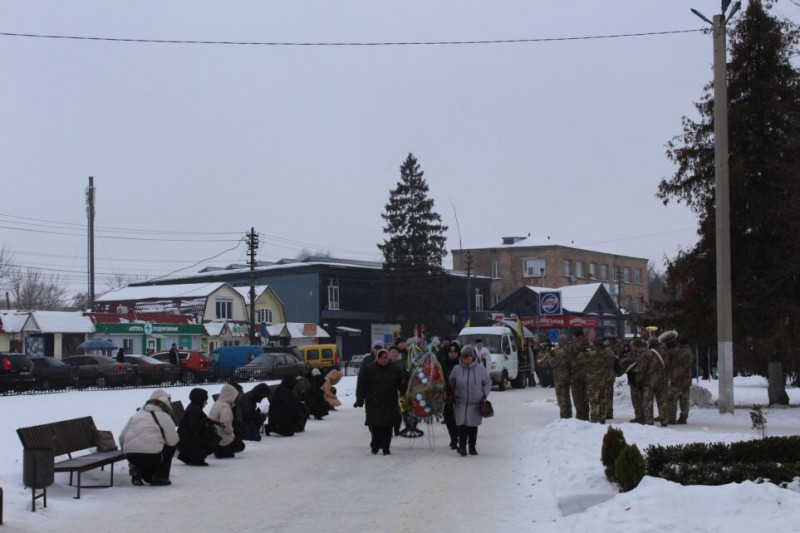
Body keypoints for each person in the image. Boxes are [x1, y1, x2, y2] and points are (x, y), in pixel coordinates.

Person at [119, 389, 179, 486]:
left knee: (141, 446)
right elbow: (173, 441)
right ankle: (160, 476)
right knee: (168, 446)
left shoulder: (137, 415)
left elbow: (122, 437)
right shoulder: (163, 415)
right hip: (152, 456)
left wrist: (125, 452)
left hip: (131, 456)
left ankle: (137, 472)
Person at [354, 348, 405, 455]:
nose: (383, 360)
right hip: (373, 402)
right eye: (381, 358)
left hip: (389, 402)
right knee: (375, 426)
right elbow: (362, 385)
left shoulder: (395, 369)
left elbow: (402, 385)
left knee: (388, 427)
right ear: (377, 358)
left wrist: (406, 395)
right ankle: (376, 445)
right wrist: (359, 399)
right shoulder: (370, 369)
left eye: (385, 358)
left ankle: (386, 448)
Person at [448, 345, 492, 456]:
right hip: (460, 403)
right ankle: (462, 446)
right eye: (464, 358)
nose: (466, 360)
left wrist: (484, 394)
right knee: (462, 426)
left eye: (468, 358)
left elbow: (487, 382)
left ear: (473, 357)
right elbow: (450, 384)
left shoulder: (480, 369)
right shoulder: (456, 369)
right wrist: (451, 395)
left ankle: (472, 446)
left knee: (473, 426)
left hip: (475, 403)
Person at [176, 388, 220, 466]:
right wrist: (208, 426)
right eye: (205, 400)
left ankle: (190, 456)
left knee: (212, 437)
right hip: (186, 441)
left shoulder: (194, 407)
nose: (206, 403)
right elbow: (196, 428)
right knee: (213, 438)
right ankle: (194, 457)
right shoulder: (195, 410)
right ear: (200, 400)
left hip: (184, 440)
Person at [583, 338, 617, 424]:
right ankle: (602, 418)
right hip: (604, 380)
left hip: (593, 381)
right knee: (603, 400)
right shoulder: (608, 353)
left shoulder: (591, 354)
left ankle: (594, 418)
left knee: (594, 401)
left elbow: (581, 359)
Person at [637, 337, 669, 426]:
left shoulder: (647, 354)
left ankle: (649, 420)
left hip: (649, 381)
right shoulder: (665, 353)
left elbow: (642, 368)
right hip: (662, 380)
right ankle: (664, 420)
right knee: (662, 401)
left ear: (650, 344)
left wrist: (639, 379)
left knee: (648, 402)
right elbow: (668, 366)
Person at [209, 383, 246, 458]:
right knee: (240, 446)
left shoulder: (217, 403)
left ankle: (220, 449)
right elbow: (225, 421)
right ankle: (222, 450)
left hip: (214, 435)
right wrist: (230, 431)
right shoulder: (225, 406)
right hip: (222, 437)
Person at [437, 340, 461, 449]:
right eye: (450, 352)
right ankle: (453, 439)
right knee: (448, 419)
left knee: (458, 419)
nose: (452, 354)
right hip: (446, 396)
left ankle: (459, 437)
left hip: (459, 396)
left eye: (454, 352)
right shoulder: (442, 363)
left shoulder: (461, 364)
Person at [542, 336, 573, 419]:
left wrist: (551, 356)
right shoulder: (569, 351)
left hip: (559, 378)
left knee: (561, 398)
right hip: (568, 376)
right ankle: (569, 413)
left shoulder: (559, 352)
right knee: (567, 396)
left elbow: (552, 364)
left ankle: (564, 416)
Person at [620, 338, 645, 423]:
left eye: (632, 346)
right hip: (644, 379)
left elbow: (623, 362)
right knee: (643, 398)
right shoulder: (647, 352)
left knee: (636, 398)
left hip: (634, 378)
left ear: (636, 346)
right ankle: (646, 415)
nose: (631, 347)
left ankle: (639, 416)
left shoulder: (633, 354)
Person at [567, 330, 589, 421]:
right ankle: (586, 416)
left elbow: (567, 359)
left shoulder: (573, 346)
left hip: (576, 376)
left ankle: (580, 418)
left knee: (577, 398)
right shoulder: (589, 344)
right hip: (587, 376)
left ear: (576, 337)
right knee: (585, 398)